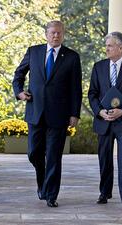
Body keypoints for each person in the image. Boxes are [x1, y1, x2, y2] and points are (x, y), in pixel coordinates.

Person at [12, 21, 82, 207]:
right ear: (46, 34)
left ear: (63, 34)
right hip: (35, 111)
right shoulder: (33, 52)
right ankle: (42, 182)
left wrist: (74, 113)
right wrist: (19, 92)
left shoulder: (72, 57)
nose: (56, 36)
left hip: (59, 115)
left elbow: (76, 88)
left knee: (53, 156)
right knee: (34, 153)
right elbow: (19, 74)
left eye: (59, 33)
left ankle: (51, 195)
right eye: (52, 33)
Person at [88, 31, 122, 211]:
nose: (107, 49)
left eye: (110, 45)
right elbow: (92, 94)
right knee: (104, 159)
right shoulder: (98, 67)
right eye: (106, 45)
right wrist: (100, 112)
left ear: (121, 47)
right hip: (103, 121)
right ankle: (104, 193)